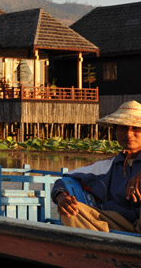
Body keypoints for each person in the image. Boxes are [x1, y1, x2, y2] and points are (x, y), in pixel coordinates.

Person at [51, 100, 141, 233]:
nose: (128, 134)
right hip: (115, 222)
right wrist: (62, 198)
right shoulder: (105, 167)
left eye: (136, 128)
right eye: (123, 128)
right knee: (72, 210)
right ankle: (99, 248)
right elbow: (62, 182)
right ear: (115, 131)